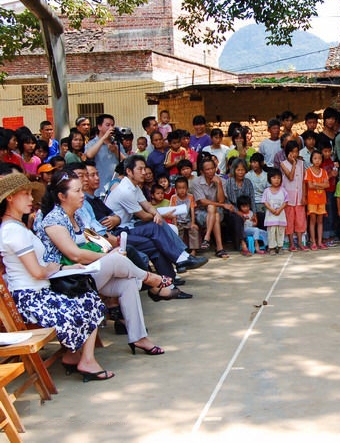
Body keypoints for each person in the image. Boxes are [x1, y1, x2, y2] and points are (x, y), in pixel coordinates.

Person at [37, 171, 170, 356]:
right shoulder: (54, 219)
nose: (83, 194)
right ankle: (150, 279)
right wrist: (109, 257)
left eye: (82, 190)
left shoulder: (77, 216)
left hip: (85, 274)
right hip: (66, 279)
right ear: (62, 196)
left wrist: (110, 249)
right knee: (115, 259)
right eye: (77, 191)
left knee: (128, 283)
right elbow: (74, 254)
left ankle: (138, 337)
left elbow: (94, 240)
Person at [0, 172, 113, 382]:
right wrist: (55, 267)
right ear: (10, 198)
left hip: (37, 292)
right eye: (25, 194)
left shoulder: (15, 227)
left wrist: (63, 267)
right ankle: (84, 360)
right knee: (88, 300)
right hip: (31, 299)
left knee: (87, 297)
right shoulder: (12, 231)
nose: (31, 199)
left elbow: (39, 269)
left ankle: (75, 356)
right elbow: (37, 272)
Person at [104, 155, 207, 282]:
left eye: (144, 169)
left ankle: (179, 264)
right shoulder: (125, 190)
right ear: (129, 172)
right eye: (140, 169)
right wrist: (158, 214)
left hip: (129, 225)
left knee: (158, 225)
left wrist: (156, 214)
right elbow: (143, 215)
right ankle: (180, 260)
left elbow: (147, 206)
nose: (144, 173)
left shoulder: (135, 187)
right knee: (156, 229)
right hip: (119, 230)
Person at [191, 157, 232, 258]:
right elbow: (202, 201)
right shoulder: (197, 182)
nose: (210, 171)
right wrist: (222, 205)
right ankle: (220, 248)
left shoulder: (221, 180)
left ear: (215, 168)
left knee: (213, 209)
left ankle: (207, 237)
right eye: (207, 169)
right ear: (202, 171)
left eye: (212, 168)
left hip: (217, 212)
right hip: (201, 213)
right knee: (212, 209)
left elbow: (221, 199)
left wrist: (219, 184)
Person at [85, 114, 125, 192]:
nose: (111, 128)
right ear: (99, 127)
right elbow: (89, 155)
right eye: (107, 125)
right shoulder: (92, 143)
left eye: (112, 125)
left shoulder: (116, 143)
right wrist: (104, 138)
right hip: (100, 186)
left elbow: (126, 161)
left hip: (116, 185)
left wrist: (116, 151)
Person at [280, 141, 308, 251]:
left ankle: (300, 242)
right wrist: (294, 164)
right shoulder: (283, 163)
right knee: (290, 220)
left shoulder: (302, 164)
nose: (294, 154)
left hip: (299, 196)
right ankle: (291, 243)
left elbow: (303, 181)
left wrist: (304, 195)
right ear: (287, 152)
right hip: (289, 198)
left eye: (296, 152)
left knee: (300, 220)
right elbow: (290, 177)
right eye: (292, 152)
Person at [304, 150, 329, 250]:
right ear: (311, 159)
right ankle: (313, 241)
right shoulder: (308, 171)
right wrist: (321, 185)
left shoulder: (324, 172)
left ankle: (319, 241)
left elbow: (327, 185)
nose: (317, 160)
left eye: (319, 158)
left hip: (322, 200)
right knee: (313, 220)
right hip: (312, 200)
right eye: (315, 158)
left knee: (320, 221)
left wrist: (316, 184)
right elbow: (309, 185)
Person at [170, 176, 200, 256]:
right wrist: (175, 224)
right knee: (178, 233)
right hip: (178, 221)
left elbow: (192, 210)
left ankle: (194, 250)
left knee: (194, 230)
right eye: (179, 188)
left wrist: (193, 223)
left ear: (187, 188)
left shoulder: (190, 197)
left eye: (184, 188)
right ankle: (181, 250)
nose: (182, 190)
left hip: (188, 220)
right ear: (176, 189)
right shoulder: (174, 198)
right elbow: (173, 212)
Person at [262, 168, 288, 255]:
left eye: (278, 178)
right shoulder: (267, 191)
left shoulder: (283, 190)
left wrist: (279, 209)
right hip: (270, 216)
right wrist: (272, 209)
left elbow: (285, 202)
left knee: (280, 231)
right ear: (269, 179)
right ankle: (272, 247)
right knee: (271, 232)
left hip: (280, 216)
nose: (276, 180)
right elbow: (265, 202)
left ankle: (280, 247)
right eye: (274, 178)